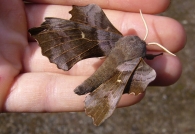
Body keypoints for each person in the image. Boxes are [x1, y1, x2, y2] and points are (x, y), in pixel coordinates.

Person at [0, 0, 185, 112]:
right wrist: (154, 55)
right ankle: (98, 100)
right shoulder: (137, 62)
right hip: (117, 69)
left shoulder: (114, 39)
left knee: (91, 18)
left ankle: (97, 99)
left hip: (104, 45)